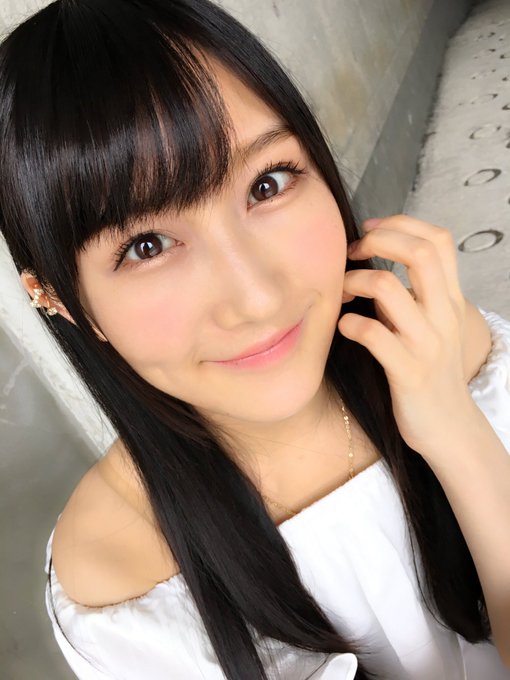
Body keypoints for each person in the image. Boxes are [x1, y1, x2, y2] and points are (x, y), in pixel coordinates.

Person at [0, 0, 509, 678]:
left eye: (267, 184)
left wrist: (456, 430)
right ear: (60, 299)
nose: (258, 298)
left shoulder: (446, 355)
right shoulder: (119, 571)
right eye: (147, 245)